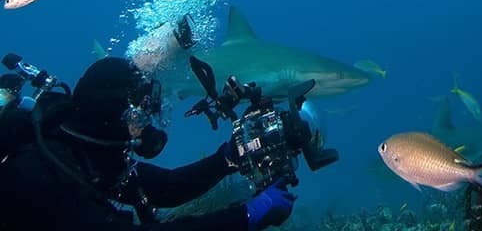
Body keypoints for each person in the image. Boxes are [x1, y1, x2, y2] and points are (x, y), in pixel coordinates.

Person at [0, 57, 297, 229]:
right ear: (114, 113)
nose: (147, 127)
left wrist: (228, 158)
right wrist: (245, 216)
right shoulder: (42, 175)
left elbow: (166, 188)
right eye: (141, 115)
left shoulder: (89, 153)